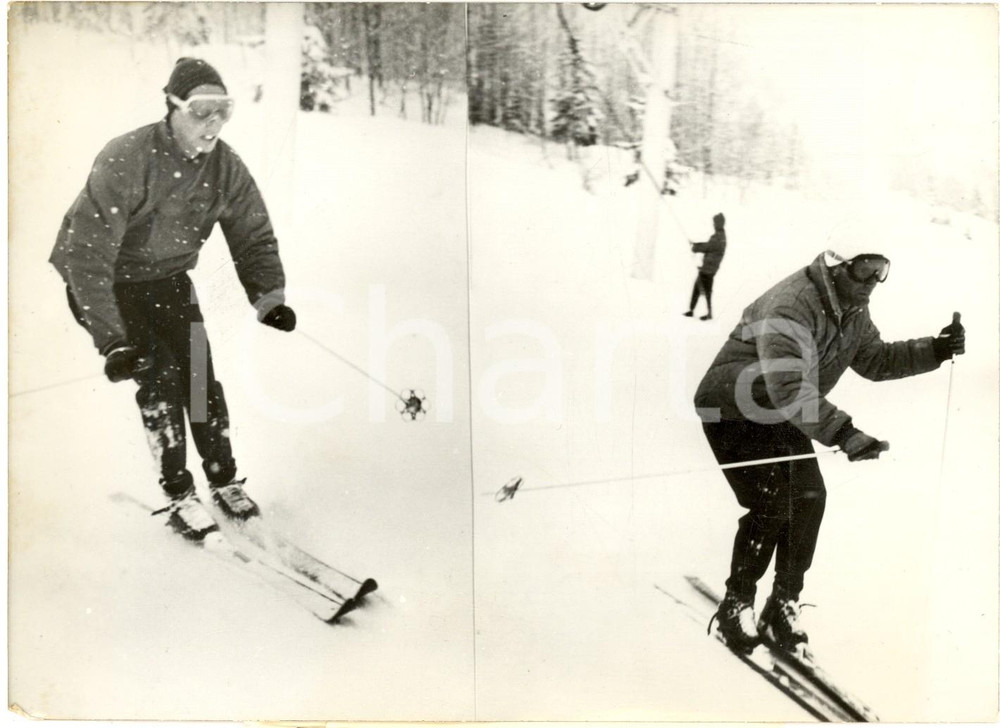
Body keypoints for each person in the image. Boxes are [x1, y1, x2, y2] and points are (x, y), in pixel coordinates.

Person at [50, 58, 297, 541]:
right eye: (202, 110)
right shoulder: (127, 157)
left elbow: (253, 233)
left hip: (165, 280)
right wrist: (112, 340)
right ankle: (180, 492)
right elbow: (87, 254)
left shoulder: (225, 167)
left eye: (223, 111)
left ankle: (225, 480)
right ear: (173, 107)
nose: (213, 124)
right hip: (106, 284)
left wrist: (268, 297)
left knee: (199, 373)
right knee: (159, 373)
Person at [692, 238, 965, 653]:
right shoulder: (792, 304)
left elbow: (874, 360)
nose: (874, 279)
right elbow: (787, 386)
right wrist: (844, 433)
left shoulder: (852, 308)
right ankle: (737, 602)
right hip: (733, 406)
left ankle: (783, 600)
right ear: (837, 265)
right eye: (865, 267)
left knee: (809, 496)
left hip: (780, 410)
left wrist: (935, 350)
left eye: (882, 269)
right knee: (772, 500)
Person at [684, 212, 727, 321]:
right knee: (701, 289)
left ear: (719, 224)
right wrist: (696, 245)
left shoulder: (719, 237)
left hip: (709, 269)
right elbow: (708, 246)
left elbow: (708, 247)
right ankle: (695, 311)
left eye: (715, 223)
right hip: (709, 268)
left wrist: (695, 247)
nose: (713, 225)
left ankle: (702, 312)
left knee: (702, 289)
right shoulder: (718, 236)